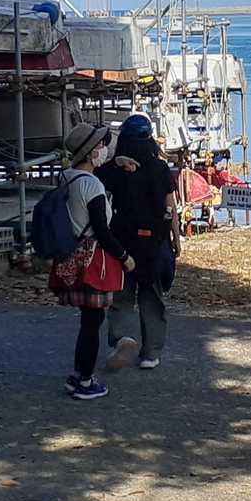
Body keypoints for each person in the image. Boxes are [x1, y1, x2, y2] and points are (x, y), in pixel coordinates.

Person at [53, 122, 132, 400]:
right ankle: (85, 381)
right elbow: (102, 230)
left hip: (70, 254)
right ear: (89, 152)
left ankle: (78, 375)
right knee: (92, 322)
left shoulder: (65, 177)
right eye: (100, 146)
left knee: (88, 320)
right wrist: (125, 256)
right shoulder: (93, 185)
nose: (104, 149)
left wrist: (117, 163)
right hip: (93, 259)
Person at [96, 113, 178, 371]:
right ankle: (151, 353)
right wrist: (176, 239)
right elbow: (171, 206)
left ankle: (121, 339)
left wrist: (115, 163)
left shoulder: (116, 169)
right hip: (154, 240)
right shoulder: (160, 169)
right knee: (151, 297)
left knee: (121, 295)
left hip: (122, 239)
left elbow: (94, 179)